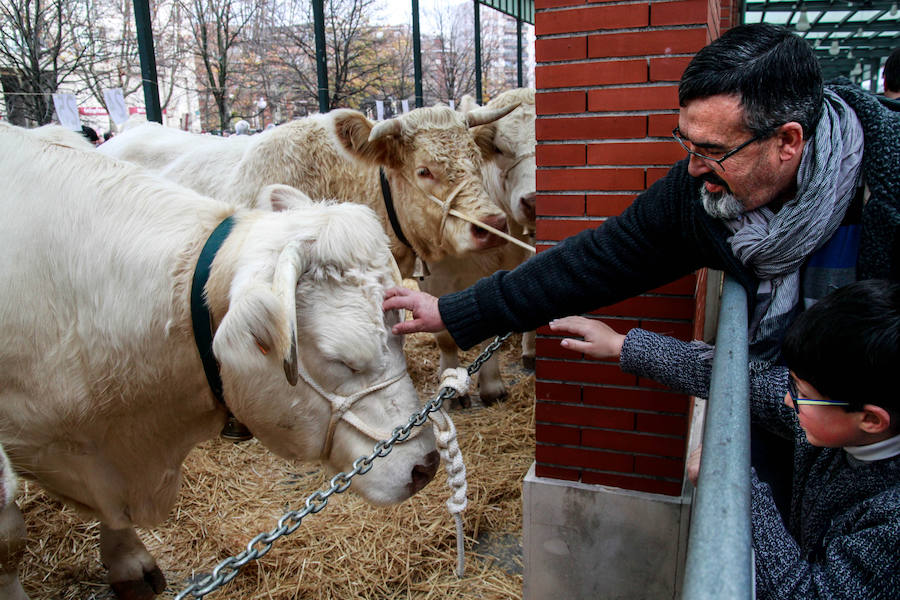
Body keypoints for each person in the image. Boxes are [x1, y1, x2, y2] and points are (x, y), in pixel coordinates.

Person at [383, 23, 900, 513]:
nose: (695, 167)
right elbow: (600, 257)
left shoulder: (887, 189)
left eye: (714, 150)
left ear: (788, 142)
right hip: (800, 437)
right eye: (687, 143)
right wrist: (457, 309)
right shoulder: (707, 193)